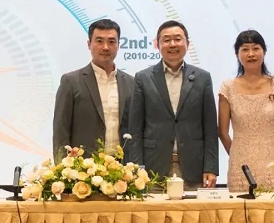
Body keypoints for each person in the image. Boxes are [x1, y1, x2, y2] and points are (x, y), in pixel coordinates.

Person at [127, 20, 219, 190]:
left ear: (187, 43)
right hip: (152, 170)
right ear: (157, 45)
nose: (172, 44)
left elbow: (211, 128)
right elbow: (135, 129)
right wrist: (136, 168)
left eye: (177, 39)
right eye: (167, 40)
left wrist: (211, 167)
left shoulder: (203, 78)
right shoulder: (143, 78)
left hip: (194, 168)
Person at [52, 19, 134, 162]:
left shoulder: (131, 83)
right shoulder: (71, 81)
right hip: (83, 168)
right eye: (99, 41)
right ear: (89, 44)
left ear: (118, 45)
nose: (105, 47)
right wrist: (62, 167)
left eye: (111, 41)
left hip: (122, 168)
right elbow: (61, 130)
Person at [218, 30, 274, 192]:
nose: (251, 54)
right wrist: (237, 154)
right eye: (245, 49)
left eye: (256, 48)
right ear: (237, 54)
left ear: (264, 51)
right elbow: (222, 132)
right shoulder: (227, 87)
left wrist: (271, 149)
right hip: (241, 166)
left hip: (273, 163)